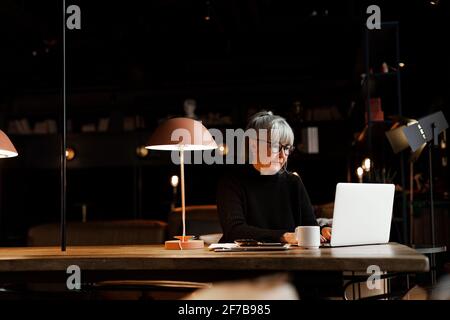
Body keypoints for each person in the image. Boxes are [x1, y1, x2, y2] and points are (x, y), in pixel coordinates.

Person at [217, 110, 332, 244]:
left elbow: (309, 226)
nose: (283, 155)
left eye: (287, 148)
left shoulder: (293, 182)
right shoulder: (231, 182)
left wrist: (322, 230)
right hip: (242, 260)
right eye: (276, 146)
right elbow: (234, 231)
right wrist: (284, 236)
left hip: (289, 261)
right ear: (254, 146)